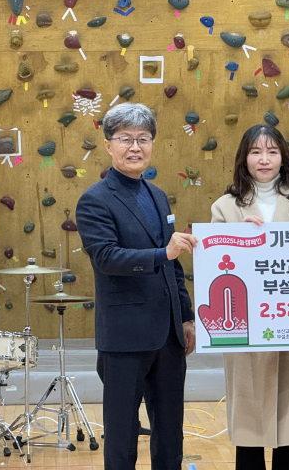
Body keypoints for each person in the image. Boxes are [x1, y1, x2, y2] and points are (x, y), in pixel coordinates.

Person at [75, 102, 198, 470]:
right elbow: (107, 258)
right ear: (108, 145)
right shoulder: (94, 200)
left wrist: (186, 317)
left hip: (169, 336)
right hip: (125, 337)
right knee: (122, 436)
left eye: (143, 139)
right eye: (125, 139)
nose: (135, 147)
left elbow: (174, 266)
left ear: (152, 144)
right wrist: (163, 252)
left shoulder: (157, 195)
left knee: (171, 434)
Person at [210, 124, 289, 470]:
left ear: (283, 157)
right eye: (256, 152)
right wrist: (238, 240)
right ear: (244, 158)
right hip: (247, 329)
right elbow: (215, 265)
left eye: (272, 152)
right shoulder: (225, 207)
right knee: (250, 429)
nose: (264, 159)